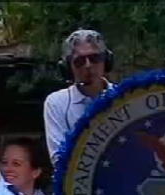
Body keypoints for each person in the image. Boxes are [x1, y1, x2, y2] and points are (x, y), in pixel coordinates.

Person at [43, 29, 115, 162]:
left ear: (106, 61)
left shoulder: (123, 97)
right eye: (79, 61)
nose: (88, 66)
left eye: (94, 59)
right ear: (68, 67)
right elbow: (58, 159)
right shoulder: (57, 103)